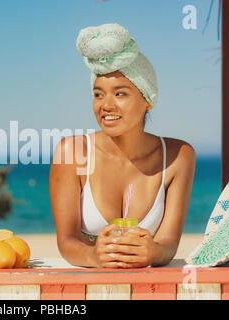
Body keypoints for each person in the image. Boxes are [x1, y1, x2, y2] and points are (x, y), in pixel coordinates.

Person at [49, 23, 196, 268]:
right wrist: (92, 256)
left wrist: (154, 252)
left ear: (148, 99)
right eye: (98, 94)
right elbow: (66, 240)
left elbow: (168, 244)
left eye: (120, 94)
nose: (106, 105)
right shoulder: (71, 152)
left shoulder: (178, 157)